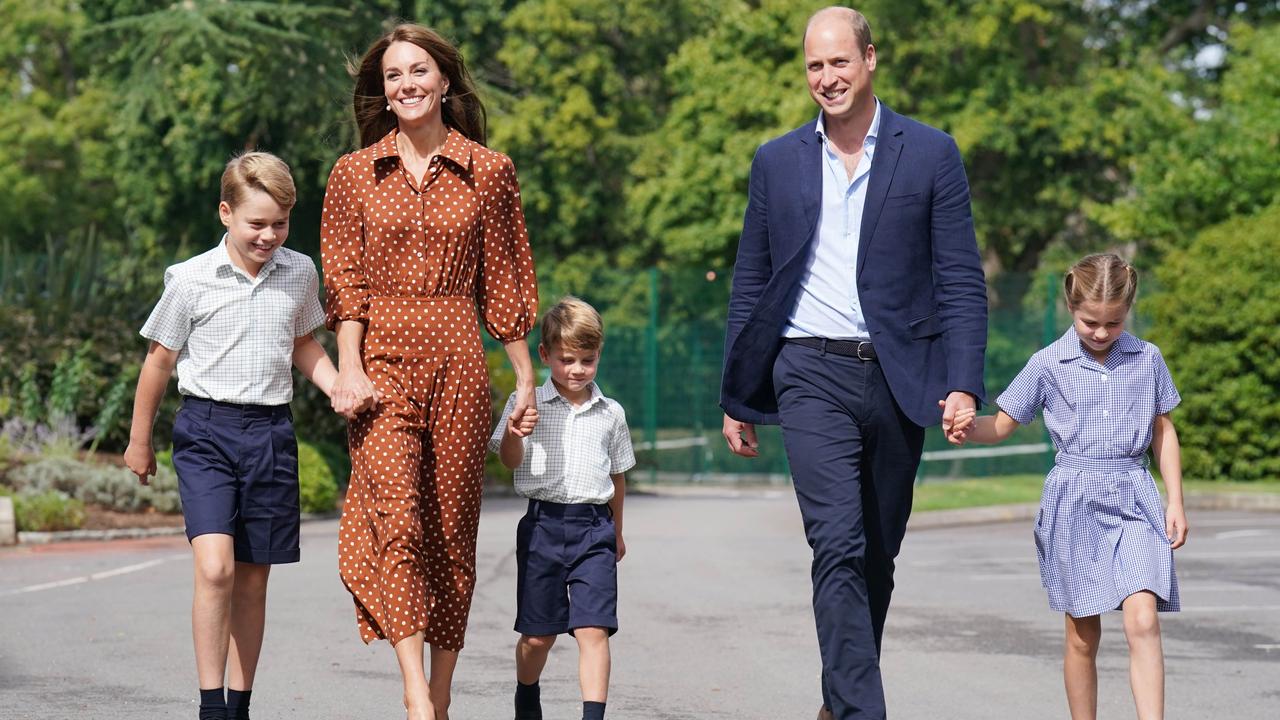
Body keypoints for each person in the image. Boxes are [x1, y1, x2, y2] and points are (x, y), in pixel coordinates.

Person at [718, 7, 988, 719]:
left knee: (875, 556)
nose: (827, 78)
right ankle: (865, 711)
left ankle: (839, 704)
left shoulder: (931, 153)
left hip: (902, 380)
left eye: (839, 62)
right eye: (814, 65)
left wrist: (963, 382)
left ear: (870, 59)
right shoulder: (776, 160)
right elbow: (751, 279)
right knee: (836, 542)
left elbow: (960, 276)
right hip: (808, 371)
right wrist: (737, 395)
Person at [320, 23, 539, 720]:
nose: (406, 84)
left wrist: (525, 378)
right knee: (399, 521)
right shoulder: (354, 173)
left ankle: (441, 692)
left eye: (419, 71)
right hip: (381, 361)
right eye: (393, 75)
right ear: (381, 92)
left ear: (444, 80)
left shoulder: (490, 170)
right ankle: (415, 694)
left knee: (451, 529)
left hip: (458, 362)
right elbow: (345, 285)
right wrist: (347, 369)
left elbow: (504, 281)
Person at [123, 151, 337, 720]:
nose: (269, 235)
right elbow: (158, 362)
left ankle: (240, 704)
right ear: (226, 212)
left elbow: (303, 344)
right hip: (207, 433)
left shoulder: (299, 271)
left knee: (252, 579)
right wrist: (139, 441)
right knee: (215, 567)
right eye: (256, 223)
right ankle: (211, 704)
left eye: (280, 223)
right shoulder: (189, 278)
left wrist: (337, 385)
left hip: (271, 434)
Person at [949, 253, 1187, 720]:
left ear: (1128, 311)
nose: (1100, 333)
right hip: (1074, 502)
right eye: (1090, 322)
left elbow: (1164, 430)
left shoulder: (1148, 358)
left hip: (1135, 496)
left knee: (1143, 619)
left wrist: (1175, 500)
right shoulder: (1047, 363)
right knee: (1083, 634)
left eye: (1113, 323)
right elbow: (1000, 425)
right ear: (1070, 309)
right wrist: (963, 427)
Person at [489, 297, 634, 720]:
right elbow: (508, 460)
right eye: (567, 359)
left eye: (588, 360)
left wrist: (617, 531)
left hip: (594, 531)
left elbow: (619, 477)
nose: (577, 369)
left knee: (594, 629)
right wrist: (516, 431)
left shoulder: (611, 413)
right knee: (539, 637)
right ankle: (526, 692)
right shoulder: (527, 403)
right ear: (545, 355)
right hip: (542, 528)